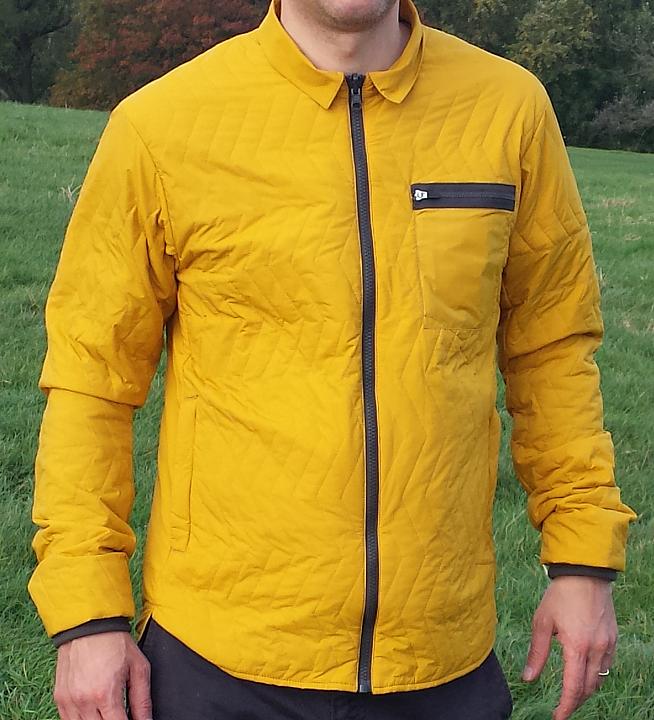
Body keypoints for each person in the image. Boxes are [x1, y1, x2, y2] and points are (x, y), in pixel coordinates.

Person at [28, 0, 638, 718]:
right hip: (219, 658)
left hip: (439, 659)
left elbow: (553, 350)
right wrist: (88, 614)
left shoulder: (509, 109)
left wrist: (582, 559)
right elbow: (91, 379)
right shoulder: (161, 126)